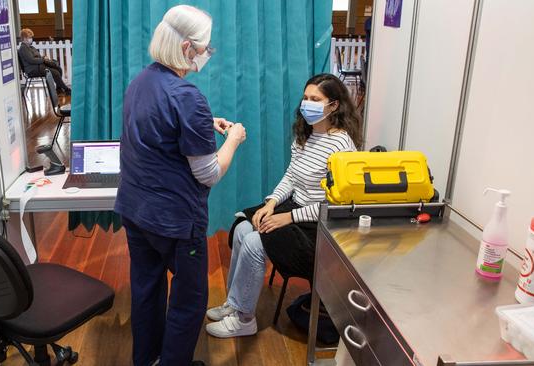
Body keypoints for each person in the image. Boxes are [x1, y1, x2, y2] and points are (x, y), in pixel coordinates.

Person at [114, 5, 246, 366]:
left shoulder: (141, 82)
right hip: (174, 221)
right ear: (188, 48)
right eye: (206, 48)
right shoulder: (188, 97)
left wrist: (205, 123)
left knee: (146, 292)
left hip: (136, 211)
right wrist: (232, 138)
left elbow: (160, 133)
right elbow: (208, 174)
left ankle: (148, 359)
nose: (207, 54)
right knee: (189, 300)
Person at [205, 73, 363, 338]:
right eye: (305, 98)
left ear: (334, 105)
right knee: (245, 227)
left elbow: (332, 203)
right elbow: (291, 175)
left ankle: (245, 319)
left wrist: (288, 218)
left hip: (320, 228)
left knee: (257, 243)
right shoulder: (307, 134)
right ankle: (233, 304)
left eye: (316, 99)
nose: (307, 104)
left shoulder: (342, 146)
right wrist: (272, 202)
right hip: (294, 208)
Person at [17, 28, 71, 95]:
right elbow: (32, 60)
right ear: (24, 38)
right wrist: (43, 59)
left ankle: (58, 89)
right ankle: (66, 89)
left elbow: (37, 57)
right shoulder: (23, 48)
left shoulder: (30, 47)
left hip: (38, 66)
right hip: (32, 70)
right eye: (29, 37)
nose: (31, 39)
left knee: (58, 69)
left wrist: (43, 58)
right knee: (55, 73)